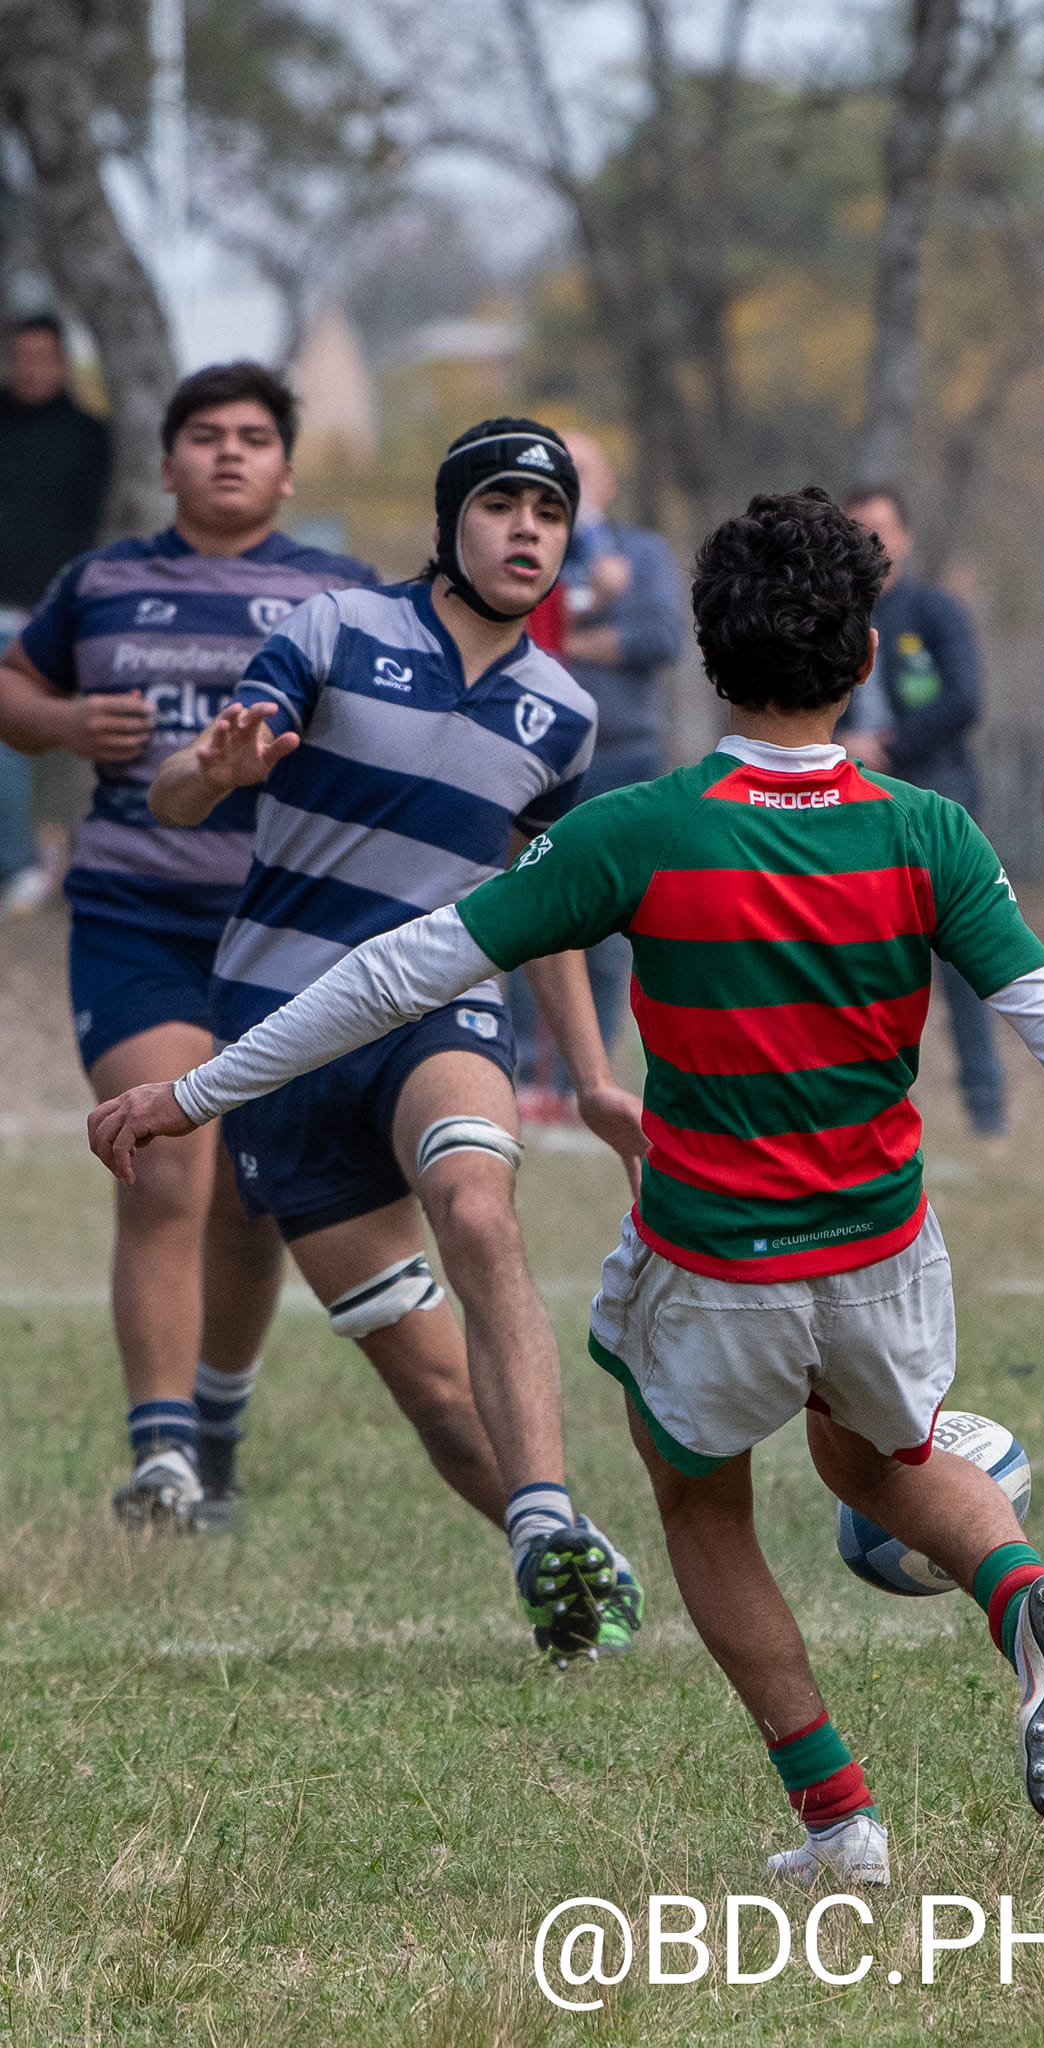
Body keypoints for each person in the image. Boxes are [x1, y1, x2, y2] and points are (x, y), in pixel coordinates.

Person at [89, 484, 1044, 1885]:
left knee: (703, 1506)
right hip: (883, 1257)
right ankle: (1014, 1591)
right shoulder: (925, 833)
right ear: (867, 658)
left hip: (716, 1267)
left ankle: (840, 1822)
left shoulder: (633, 832)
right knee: (875, 1458)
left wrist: (197, 1090)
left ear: (706, 656)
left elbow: (399, 970)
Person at [134, 417, 648, 1656]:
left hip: (437, 1007)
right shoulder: (332, 628)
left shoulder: (563, 714)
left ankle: (541, 1518)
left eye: (549, 512)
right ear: (449, 520)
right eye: (502, 504)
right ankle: (568, 1558)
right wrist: (212, 769)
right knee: (428, 1387)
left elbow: (553, 898)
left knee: (478, 1203)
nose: (527, 529)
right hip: (282, 1026)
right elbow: (175, 792)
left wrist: (588, 1074)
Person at [0, 360, 374, 1529]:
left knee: (250, 1197)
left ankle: (215, 1421)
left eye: (253, 436)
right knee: (166, 1158)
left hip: (285, 932)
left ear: (287, 466)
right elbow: (12, 683)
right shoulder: (104, 579)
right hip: (134, 915)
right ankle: (159, 1457)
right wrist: (62, 720)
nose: (227, 452)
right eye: (203, 435)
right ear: (165, 464)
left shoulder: (341, 594)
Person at [511, 428, 684, 1116]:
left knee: (614, 929)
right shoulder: (528, 551)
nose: (574, 486)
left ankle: (592, 1076)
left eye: (585, 472)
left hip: (625, 756)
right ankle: (529, 1073)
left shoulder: (642, 553)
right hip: (539, 757)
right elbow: (513, 636)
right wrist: (586, 609)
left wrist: (568, 639)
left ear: (607, 484)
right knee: (535, 911)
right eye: (561, 473)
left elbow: (661, 638)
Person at [840, 484, 1006, 1137]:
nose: (869, 542)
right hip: (846, 799)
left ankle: (985, 1107)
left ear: (904, 537)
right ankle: (862, 1105)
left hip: (936, 793)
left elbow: (964, 699)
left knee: (961, 957)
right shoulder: (825, 613)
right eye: (855, 529)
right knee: (860, 955)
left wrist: (887, 745)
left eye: (880, 529)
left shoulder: (936, 610)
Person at [0, 312, 112, 915]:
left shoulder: (90, 435)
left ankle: (63, 861)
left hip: (59, 617)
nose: (31, 368)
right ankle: (18, 864)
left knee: (71, 750)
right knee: (6, 749)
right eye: (21, 356)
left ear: (63, 361)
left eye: (44, 356)